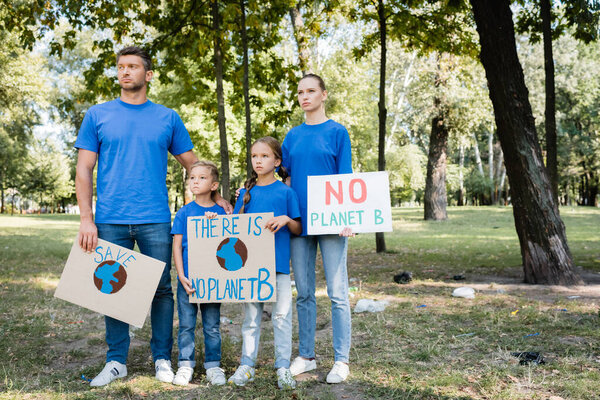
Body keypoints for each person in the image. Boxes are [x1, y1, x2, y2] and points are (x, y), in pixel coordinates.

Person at [74, 46, 231, 387]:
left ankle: (162, 357)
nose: (124, 72)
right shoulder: (97, 115)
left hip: (155, 217)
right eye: (120, 67)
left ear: (148, 74)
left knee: (161, 290)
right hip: (110, 218)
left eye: (132, 66)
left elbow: (193, 164)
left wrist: (216, 197)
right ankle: (117, 361)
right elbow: (84, 169)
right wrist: (87, 218)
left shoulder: (167, 118)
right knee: (111, 288)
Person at [282, 74, 354, 384]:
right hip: (299, 221)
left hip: (332, 222)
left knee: (338, 293)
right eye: (300, 92)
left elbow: (346, 178)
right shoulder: (291, 137)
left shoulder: (338, 133)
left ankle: (341, 360)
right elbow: (284, 179)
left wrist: (349, 217)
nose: (305, 96)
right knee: (305, 293)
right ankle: (307, 356)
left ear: (323, 94)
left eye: (311, 91)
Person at [228, 137, 301, 390]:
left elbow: (298, 227)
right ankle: (247, 365)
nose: (258, 161)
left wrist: (285, 219)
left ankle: (283, 366)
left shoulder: (286, 192)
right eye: (254, 156)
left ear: (277, 161)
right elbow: (233, 228)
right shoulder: (246, 194)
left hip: (279, 265)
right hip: (250, 267)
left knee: (281, 316)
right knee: (251, 317)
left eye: (265, 156)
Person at [170, 161, 227, 386]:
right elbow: (177, 246)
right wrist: (181, 275)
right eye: (192, 177)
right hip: (188, 280)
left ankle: (213, 365)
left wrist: (217, 223)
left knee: (212, 325)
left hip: (212, 280)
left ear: (214, 185)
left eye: (202, 178)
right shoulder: (184, 213)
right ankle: (185, 365)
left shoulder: (222, 212)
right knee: (186, 325)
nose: (195, 181)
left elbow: (228, 242)